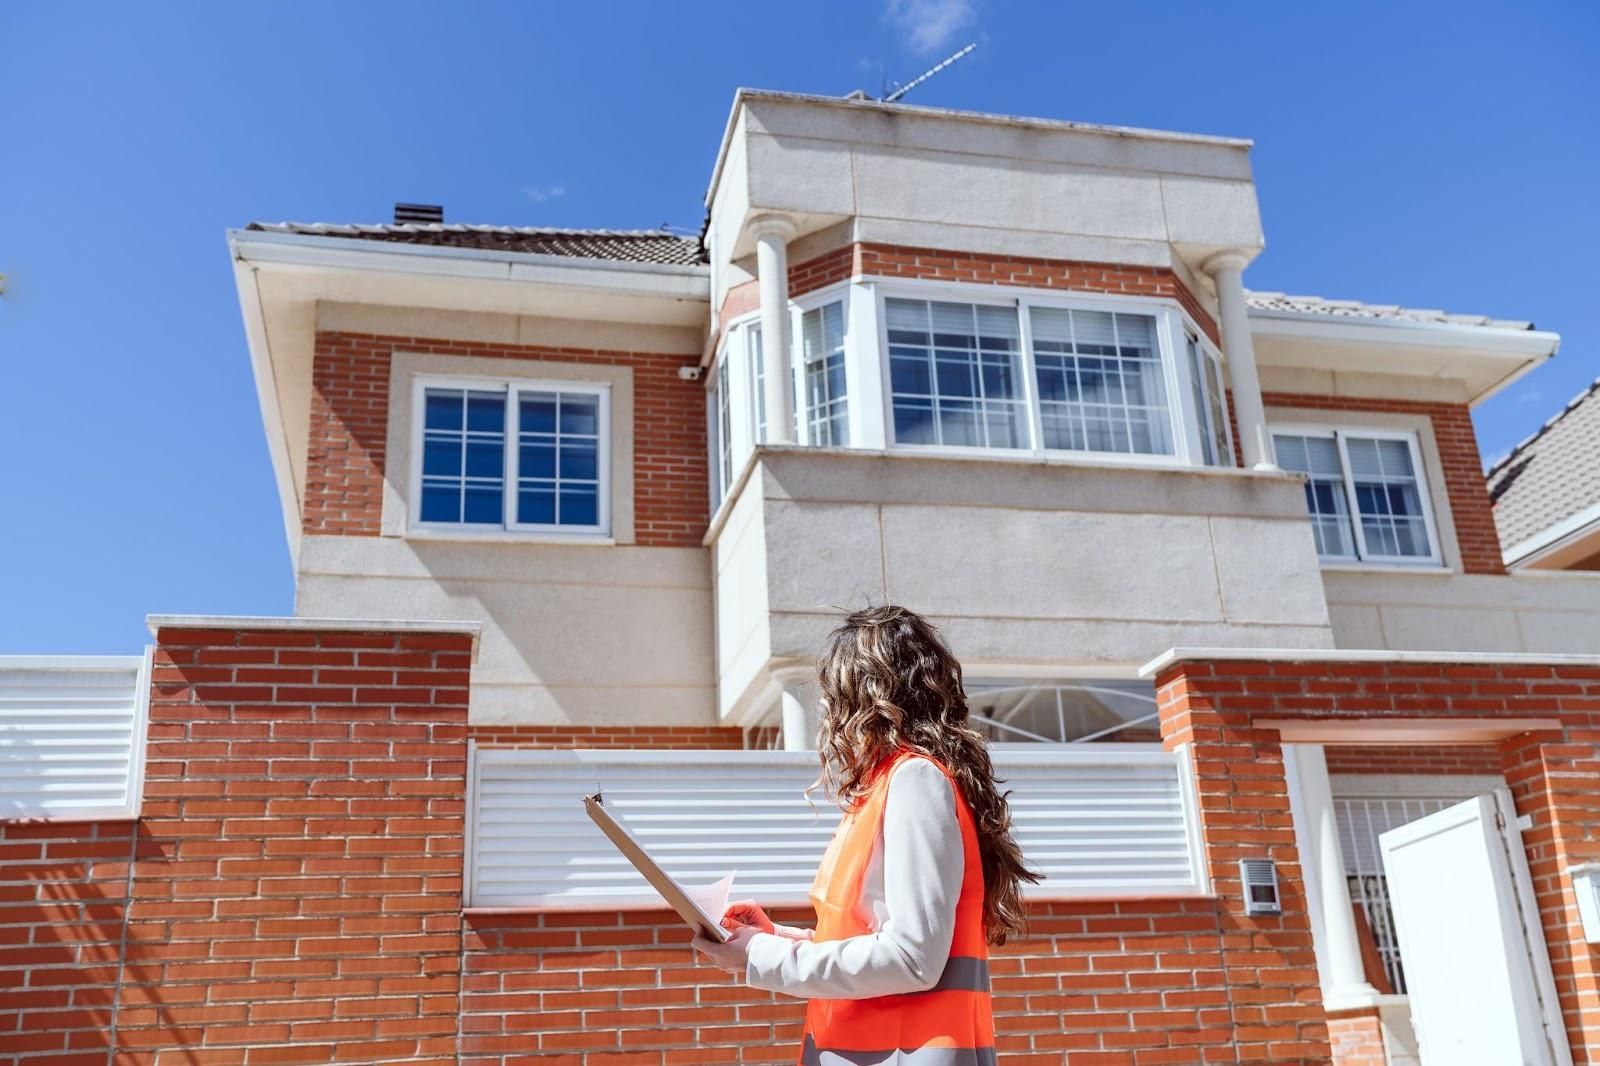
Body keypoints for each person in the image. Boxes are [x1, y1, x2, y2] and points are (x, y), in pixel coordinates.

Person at [693, 605, 1038, 1066]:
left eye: (834, 692)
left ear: (867, 696)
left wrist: (761, 955)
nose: (826, 710)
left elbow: (913, 958)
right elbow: (872, 936)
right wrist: (775, 938)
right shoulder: (891, 785)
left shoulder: (915, 780)